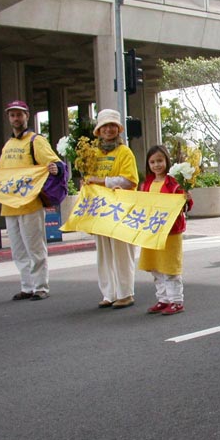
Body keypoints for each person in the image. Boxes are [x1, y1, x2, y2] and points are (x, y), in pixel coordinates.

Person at [0, 100, 62, 301]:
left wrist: (56, 169)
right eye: (12, 115)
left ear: (27, 116)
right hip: (10, 205)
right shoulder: (8, 145)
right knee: (18, 250)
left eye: (19, 114)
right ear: (9, 118)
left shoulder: (36, 141)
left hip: (30, 204)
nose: (16, 118)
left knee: (35, 248)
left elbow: (56, 164)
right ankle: (27, 286)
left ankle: (40, 286)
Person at [85, 109, 139, 309]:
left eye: (112, 126)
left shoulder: (124, 152)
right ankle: (109, 293)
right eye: (104, 126)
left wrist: (100, 181)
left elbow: (128, 181)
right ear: (98, 130)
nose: (108, 129)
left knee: (121, 251)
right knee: (104, 253)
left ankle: (125, 293)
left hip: (119, 209)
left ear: (118, 129)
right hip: (100, 209)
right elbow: (88, 178)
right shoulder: (92, 153)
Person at [138, 145, 193, 315]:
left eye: (160, 161)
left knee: (169, 267)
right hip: (152, 230)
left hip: (171, 231)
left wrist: (186, 199)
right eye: (152, 162)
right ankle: (163, 299)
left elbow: (185, 206)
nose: (156, 165)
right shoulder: (146, 184)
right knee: (156, 267)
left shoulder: (174, 183)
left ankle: (176, 301)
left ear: (167, 161)